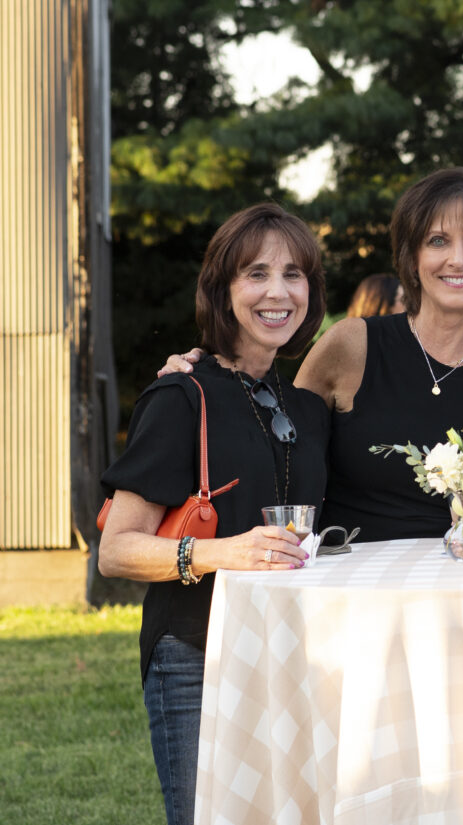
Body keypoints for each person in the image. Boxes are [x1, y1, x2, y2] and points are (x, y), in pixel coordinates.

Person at [163, 168, 463, 543]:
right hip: (346, 576)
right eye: (438, 241)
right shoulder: (352, 344)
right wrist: (207, 373)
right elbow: (276, 439)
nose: (458, 259)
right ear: (412, 257)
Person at [99, 203, 329, 825]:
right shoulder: (181, 395)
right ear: (222, 290)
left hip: (296, 654)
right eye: (256, 274)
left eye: (294, 274)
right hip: (197, 655)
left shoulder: (307, 409)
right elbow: (116, 549)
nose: (278, 292)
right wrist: (225, 552)